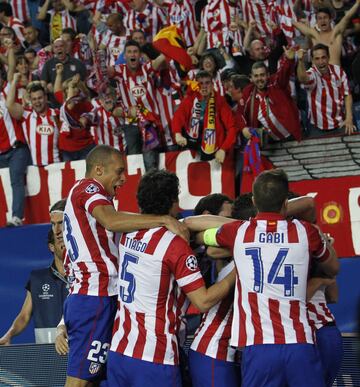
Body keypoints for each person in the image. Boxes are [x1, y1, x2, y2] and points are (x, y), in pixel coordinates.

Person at [196, 169, 339, 387]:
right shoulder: (306, 232)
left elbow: (206, 239)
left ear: (254, 201)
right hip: (300, 343)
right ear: (285, 203)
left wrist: (193, 232)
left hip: (258, 347)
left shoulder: (238, 232)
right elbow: (334, 268)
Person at [62, 145, 188, 387]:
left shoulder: (91, 195)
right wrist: (163, 218)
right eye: (119, 171)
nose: (123, 178)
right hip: (94, 297)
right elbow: (111, 221)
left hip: (98, 297)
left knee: (93, 380)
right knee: (79, 383)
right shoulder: (89, 188)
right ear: (98, 170)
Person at [107, 170, 236, 387]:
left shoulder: (127, 235)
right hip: (155, 357)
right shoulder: (174, 245)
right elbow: (202, 301)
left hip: (120, 350)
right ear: (172, 202)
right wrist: (238, 271)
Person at [0, 226, 68, 345]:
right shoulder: (38, 279)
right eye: (60, 240)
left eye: (67, 240)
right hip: (47, 352)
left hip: (79, 348)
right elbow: (24, 315)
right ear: (51, 247)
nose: (65, 245)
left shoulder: (84, 276)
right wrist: (8, 335)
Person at [172, 70, 238, 164]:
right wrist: (177, 133)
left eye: (207, 83)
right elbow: (178, 116)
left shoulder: (220, 101)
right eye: (200, 83)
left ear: (212, 84)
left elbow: (232, 127)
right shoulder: (190, 99)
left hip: (215, 152)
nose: (204, 86)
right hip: (194, 149)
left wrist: (223, 149)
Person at [242, 47, 302, 143]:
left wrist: (289, 60)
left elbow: (283, 73)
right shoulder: (248, 92)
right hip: (271, 143)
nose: (259, 78)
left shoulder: (276, 83)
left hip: (293, 136)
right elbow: (241, 114)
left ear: (268, 75)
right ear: (251, 78)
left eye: (262, 75)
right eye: (256, 76)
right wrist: (243, 128)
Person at [297, 43, 355, 136]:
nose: (321, 62)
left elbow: (347, 94)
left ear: (328, 57)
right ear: (312, 60)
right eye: (317, 59)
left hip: (340, 124)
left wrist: (349, 118)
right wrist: (300, 61)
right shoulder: (312, 74)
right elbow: (303, 78)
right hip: (317, 129)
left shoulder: (338, 71)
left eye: (323, 57)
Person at [293, 2, 360, 65]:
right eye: (320, 18)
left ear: (330, 19)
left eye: (325, 17)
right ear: (317, 22)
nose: (323, 21)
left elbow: (347, 18)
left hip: (336, 74)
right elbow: (295, 24)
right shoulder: (315, 35)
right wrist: (291, 21)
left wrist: (357, 3)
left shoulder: (336, 33)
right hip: (318, 75)